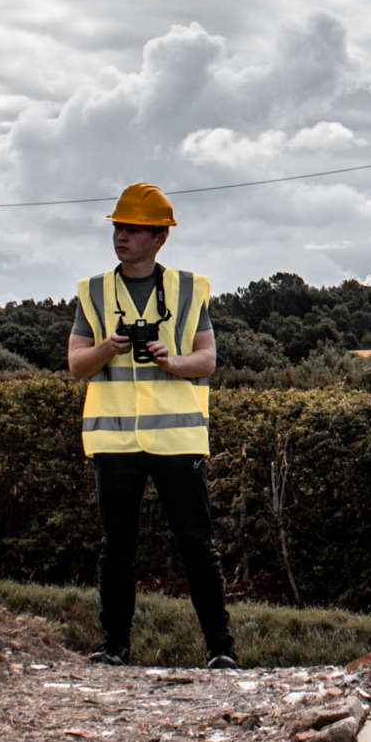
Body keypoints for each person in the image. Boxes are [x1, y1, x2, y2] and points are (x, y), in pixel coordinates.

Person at [68, 182, 238, 671]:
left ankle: (221, 649)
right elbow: (77, 365)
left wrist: (172, 362)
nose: (121, 236)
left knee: (197, 546)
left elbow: (207, 359)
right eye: (118, 227)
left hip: (177, 438)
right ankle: (115, 646)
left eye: (133, 229)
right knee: (116, 548)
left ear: (159, 238)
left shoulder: (189, 289)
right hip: (116, 437)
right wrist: (108, 347)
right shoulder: (94, 292)